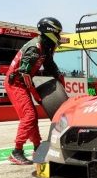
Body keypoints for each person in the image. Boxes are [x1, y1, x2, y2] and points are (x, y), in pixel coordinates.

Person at [4, 17, 64, 165]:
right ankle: (16, 151)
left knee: (32, 115)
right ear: (50, 32)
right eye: (57, 34)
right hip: (15, 83)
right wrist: (36, 94)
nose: (58, 37)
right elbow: (23, 73)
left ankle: (38, 148)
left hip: (21, 82)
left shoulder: (44, 47)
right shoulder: (35, 48)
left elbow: (49, 64)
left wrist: (59, 76)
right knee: (29, 116)